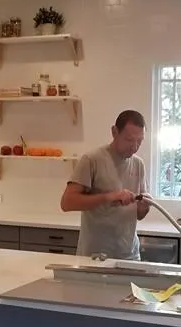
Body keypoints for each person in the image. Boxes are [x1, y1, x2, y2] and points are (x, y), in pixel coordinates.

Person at [61, 110, 150, 260]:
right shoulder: (92, 160)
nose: (134, 147)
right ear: (114, 132)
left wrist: (144, 207)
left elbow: (140, 215)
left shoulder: (138, 164)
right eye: (129, 140)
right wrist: (109, 197)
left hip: (130, 255)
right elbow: (67, 203)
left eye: (139, 141)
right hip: (95, 256)